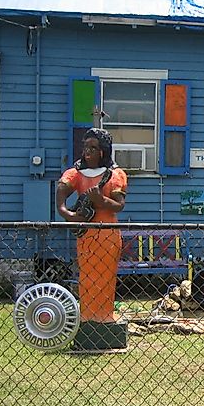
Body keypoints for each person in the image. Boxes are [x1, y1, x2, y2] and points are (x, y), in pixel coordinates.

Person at [56, 128, 128, 325]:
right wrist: (69, 215)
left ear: (103, 151)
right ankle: (87, 316)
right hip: (86, 234)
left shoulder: (115, 175)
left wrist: (101, 200)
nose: (88, 151)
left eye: (93, 148)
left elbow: (119, 206)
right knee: (87, 276)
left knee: (107, 276)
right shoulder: (76, 174)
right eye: (86, 147)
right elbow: (60, 197)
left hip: (108, 234)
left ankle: (105, 316)